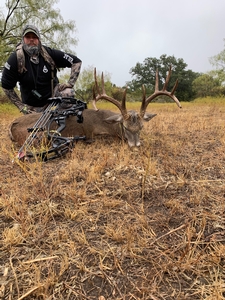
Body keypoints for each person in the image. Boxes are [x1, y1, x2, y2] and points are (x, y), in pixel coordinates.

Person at [1, 24, 82, 114]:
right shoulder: (15, 59)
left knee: (68, 92)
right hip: (31, 106)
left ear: (39, 40)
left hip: (52, 97)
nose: (31, 39)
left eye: (34, 37)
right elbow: (6, 86)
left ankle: (60, 118)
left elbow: (76, 61)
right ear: (23, 39)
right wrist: (21, 106)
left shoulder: (49, 53)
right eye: (28, 37)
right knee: (33, 126)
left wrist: (70, 83)